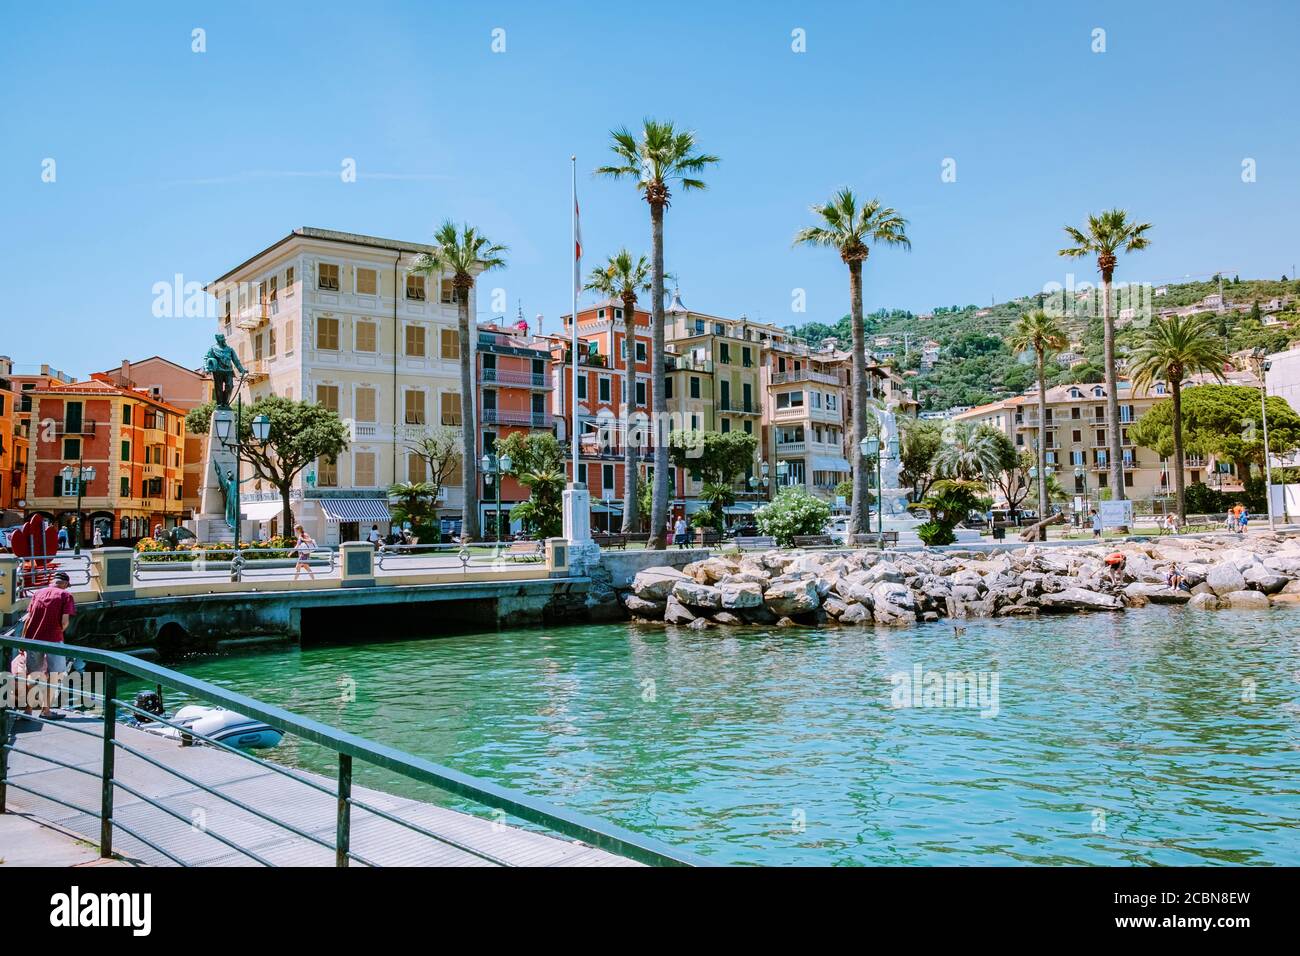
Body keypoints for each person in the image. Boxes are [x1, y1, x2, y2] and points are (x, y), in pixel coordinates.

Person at [20, 571, 76, 718]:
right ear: (64, 584)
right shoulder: (65, 596)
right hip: (53, 639)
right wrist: (58, 632)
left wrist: (23, 640)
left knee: (32, 675)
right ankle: (46, 711)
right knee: (55, 675)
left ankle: (28, 710)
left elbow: (28, 619)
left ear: (53, 581)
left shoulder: (38, 593)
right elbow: (64, 622)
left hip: (33, 639)